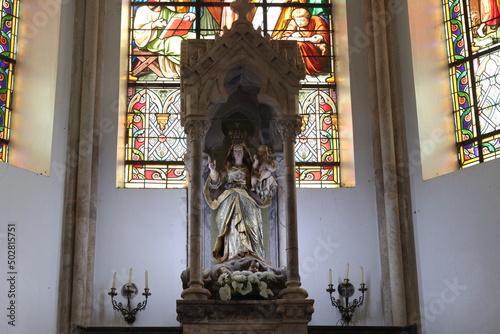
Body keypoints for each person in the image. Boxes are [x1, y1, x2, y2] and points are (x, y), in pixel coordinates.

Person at [204, 143, 271, 263]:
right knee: (230, 226)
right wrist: (212, 170)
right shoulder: (227, 169)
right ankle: (231, 255)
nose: (238, 152)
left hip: (247, 198)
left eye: (240, 150)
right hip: (230, 199)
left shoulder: (250, 169)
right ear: (232, 153)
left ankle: (251, 255)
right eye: (235, 150)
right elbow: (216, 181)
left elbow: (257, 182)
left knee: (251, 224)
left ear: (244, 152)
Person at [133, 0, 196, 78]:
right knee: (175, 41)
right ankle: (189, 68)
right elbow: (138, 31)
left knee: (192, 36)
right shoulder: (143, 10)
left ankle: (199, 60)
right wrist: (154, 25)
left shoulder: (164, 10)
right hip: (149, 41)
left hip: (165, 38)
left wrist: (188, 15)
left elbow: (175, 16)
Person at [280, 8, 330, 75]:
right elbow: (284, 37)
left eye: (303, 20)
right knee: (296, 44)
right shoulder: (293, 22)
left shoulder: (316, 20)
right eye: (297, 20)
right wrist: (292, 35)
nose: (299, 23)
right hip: (306, 43)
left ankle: (306, 69)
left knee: (300, 44)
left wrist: (317, 38)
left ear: (308, 18)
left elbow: (322, 36)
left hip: (315, 46)